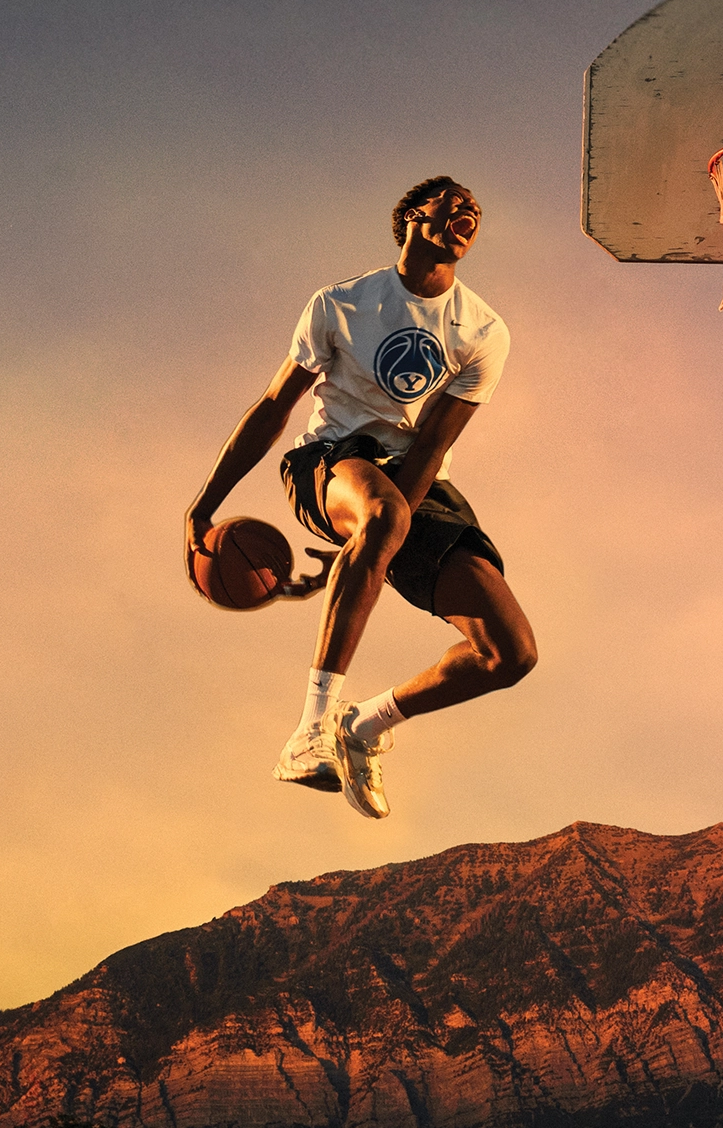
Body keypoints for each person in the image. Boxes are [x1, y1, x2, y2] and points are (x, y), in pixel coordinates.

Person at [184, 176, 537, 819]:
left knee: (508, 652)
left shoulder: (484, 330)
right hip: (328, 459)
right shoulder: (340, 304)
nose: (467, 216)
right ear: (410, 216)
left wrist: (377, 543)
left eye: (476, 213)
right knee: (380, 513)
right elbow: (273, 408)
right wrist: (203, 505)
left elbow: (431, 446)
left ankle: (365, 726)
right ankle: (309, 732)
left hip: (413, 482)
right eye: (453, 204)